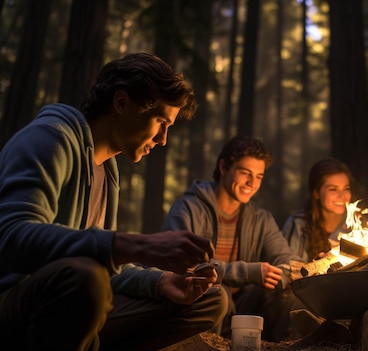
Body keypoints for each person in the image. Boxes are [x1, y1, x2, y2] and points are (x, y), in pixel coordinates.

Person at [0, 53, 228, 351]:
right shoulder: (49, 138)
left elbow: (101, 264)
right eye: (161, 121)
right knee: (85, 277)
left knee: (209, 300)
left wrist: (160, 283)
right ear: (121, 103)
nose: (163, 140)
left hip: (72, 303)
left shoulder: (107, 170)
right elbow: (11, 237)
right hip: (14, 305)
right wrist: (132, 244)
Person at [161, 136, 301, 342]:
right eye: (245, 173)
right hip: (197, 304)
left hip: (243, 307)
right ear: (224, 167)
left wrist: (284, 274)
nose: (252, 183)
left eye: (259, 176)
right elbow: (186, 270)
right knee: (218, 292)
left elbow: (288, 261)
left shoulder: (261, 219)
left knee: (282, 291)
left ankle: (281, 346)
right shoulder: (188, 209)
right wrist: (248, 272)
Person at [282, 157, 368, 262]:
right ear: (316, 193)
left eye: (346, 188)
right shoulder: (298, 225)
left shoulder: (357, 227)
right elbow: (291, 273)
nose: (342, 196)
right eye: (333, 189)